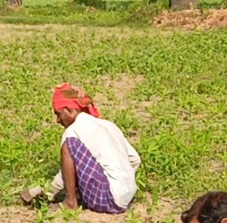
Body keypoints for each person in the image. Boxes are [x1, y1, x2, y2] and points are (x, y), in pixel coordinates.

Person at [22, 84, 141, 214]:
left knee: (69, 145)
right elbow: (135, 160)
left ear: (70, 110)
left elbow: (62, 179)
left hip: (109, 199)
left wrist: (38, 192)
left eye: (58, 114)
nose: (57, 120)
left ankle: (70, 202)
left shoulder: (73, 131)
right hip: (127, 197)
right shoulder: (108, 125)